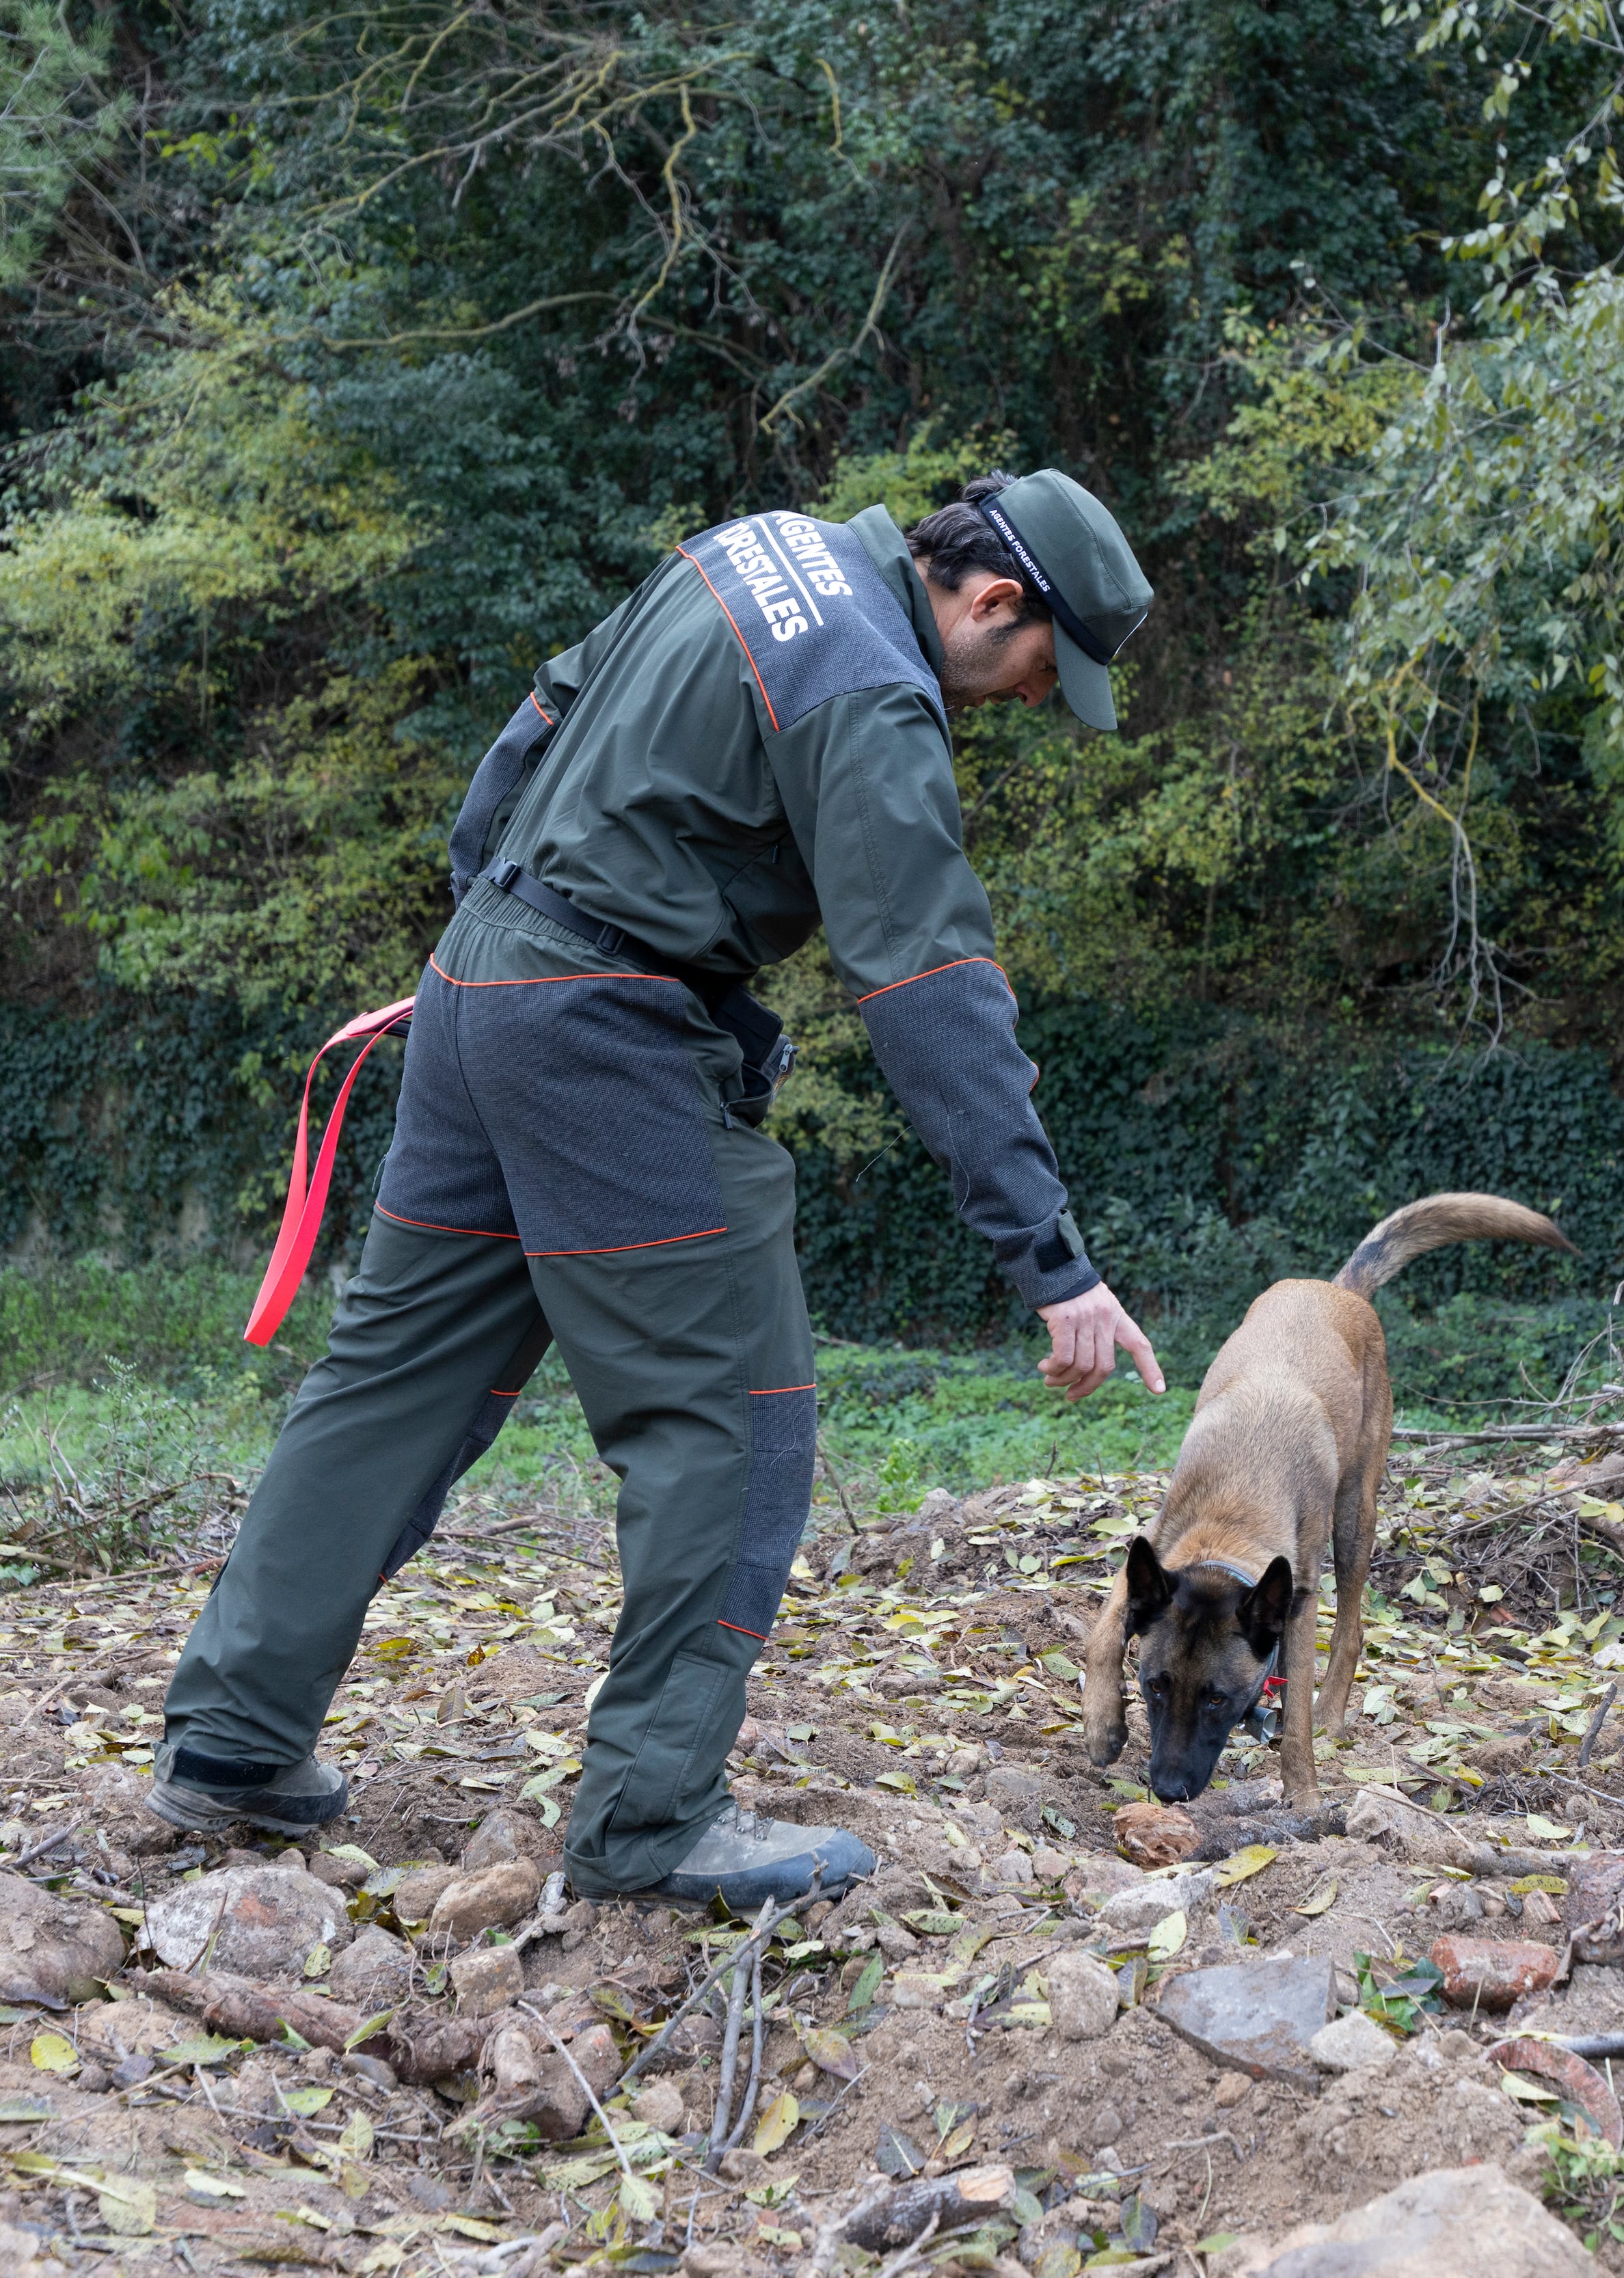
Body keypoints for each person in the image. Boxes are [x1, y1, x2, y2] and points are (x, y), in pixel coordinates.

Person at [150, 470, 1169, 1908]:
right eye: (1030, 670)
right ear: (993, 601)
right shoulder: (875, 692)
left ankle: (232, 1742)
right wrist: (1049, 1256)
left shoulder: (757, 550)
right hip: (607, 1032)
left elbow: (540, 720)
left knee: (389, 1381)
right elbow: (930, 980)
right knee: (732, 1423)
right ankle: (650, 1816)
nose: (1017, 699)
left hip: (481, 978)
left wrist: (491, 935)